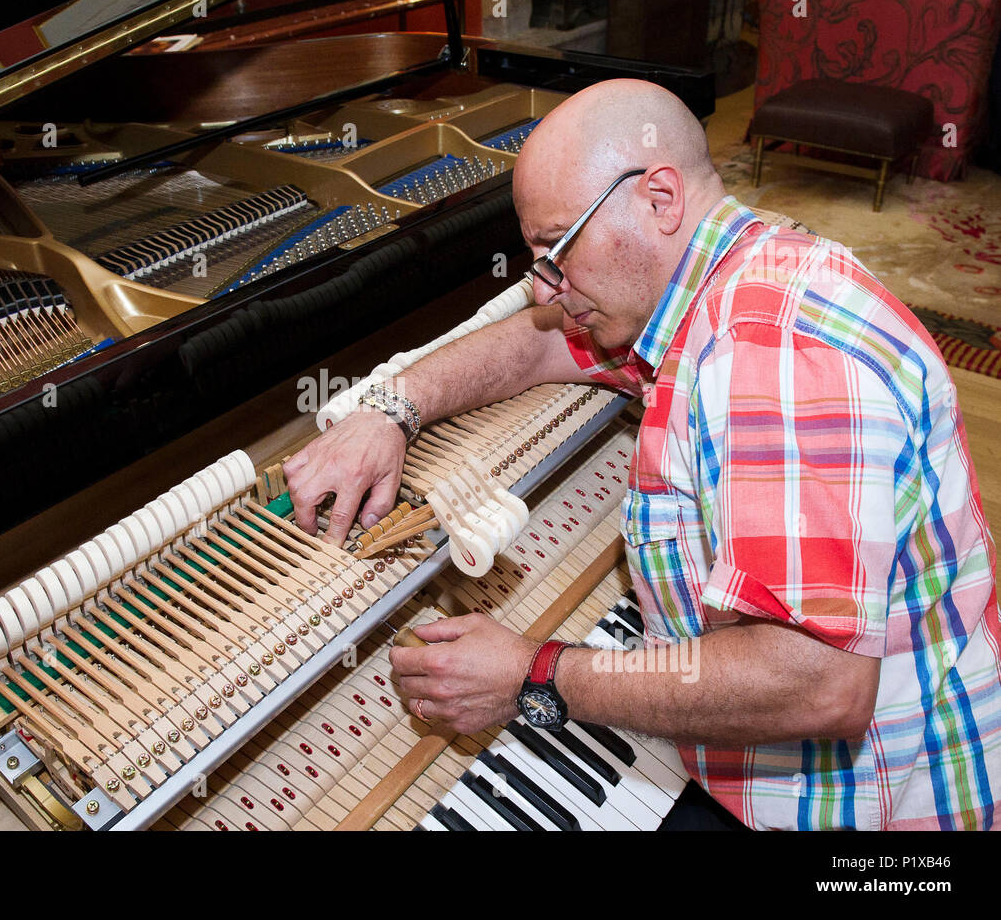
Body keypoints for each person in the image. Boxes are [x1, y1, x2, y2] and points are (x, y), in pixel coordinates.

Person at [283, 79, 1000, 830]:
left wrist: (535, 675)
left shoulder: (766, 352)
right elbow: (536, 347)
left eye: (555, 248)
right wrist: (391, 411)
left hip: (871, 813)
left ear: (659, 199)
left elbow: (818, 685)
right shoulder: (702, 284)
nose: (543, 287)